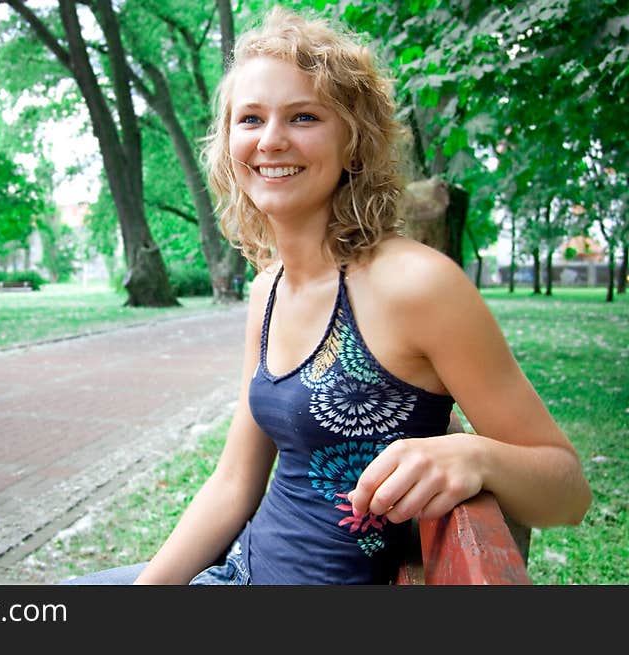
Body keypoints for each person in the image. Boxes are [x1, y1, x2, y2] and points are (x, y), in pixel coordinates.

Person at [64, 6, 591, 586]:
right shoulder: (267, 290)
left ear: (355, 144)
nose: (271, 140)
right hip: (238, 572)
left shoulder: (417, 285)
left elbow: (567, 491)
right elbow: (234, 483)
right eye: (250, 119)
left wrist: (477, 457)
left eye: (304, 116)